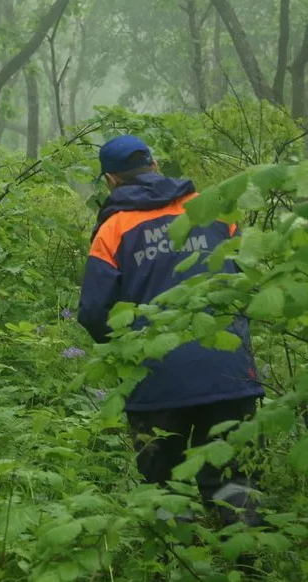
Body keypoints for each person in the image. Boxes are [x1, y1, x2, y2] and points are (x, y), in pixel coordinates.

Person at [77, 135, 264, 528]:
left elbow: (94, 313)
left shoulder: (113, 230)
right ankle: (248, 565)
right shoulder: (213, 211)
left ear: (111, 181)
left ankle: (174, 560)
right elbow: (251, 280)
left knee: (163, 487)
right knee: (234, 481)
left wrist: (127, 351)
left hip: (154, 378)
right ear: (156, 164)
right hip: (227, 369)